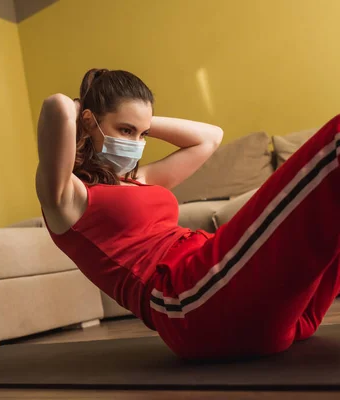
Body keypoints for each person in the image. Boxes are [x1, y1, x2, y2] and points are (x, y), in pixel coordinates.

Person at [35, 68, 340, 360]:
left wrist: (142, 122)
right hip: (189, 302)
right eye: (125, 130)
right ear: (88, 122)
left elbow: (210, 137)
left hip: (268, 306)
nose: (136, 144)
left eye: (143, 134)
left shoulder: (139, 179)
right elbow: (57, 106)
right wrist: (83, 109)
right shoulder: (67, 198)